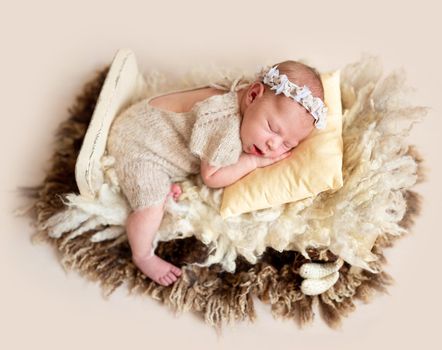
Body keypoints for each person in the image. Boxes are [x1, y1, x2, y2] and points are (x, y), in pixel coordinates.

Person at [106, 60, 327, 286]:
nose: (273, 145)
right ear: (252, 96)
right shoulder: (226, 130)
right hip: (138, 147)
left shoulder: (243, 96)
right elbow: (211, 177)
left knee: (165, 178)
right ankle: (142, 255)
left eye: (287, 144)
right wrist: (252, 161)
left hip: (142, 120)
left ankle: (165, 180)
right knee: (151, 206)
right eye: (272, 128)